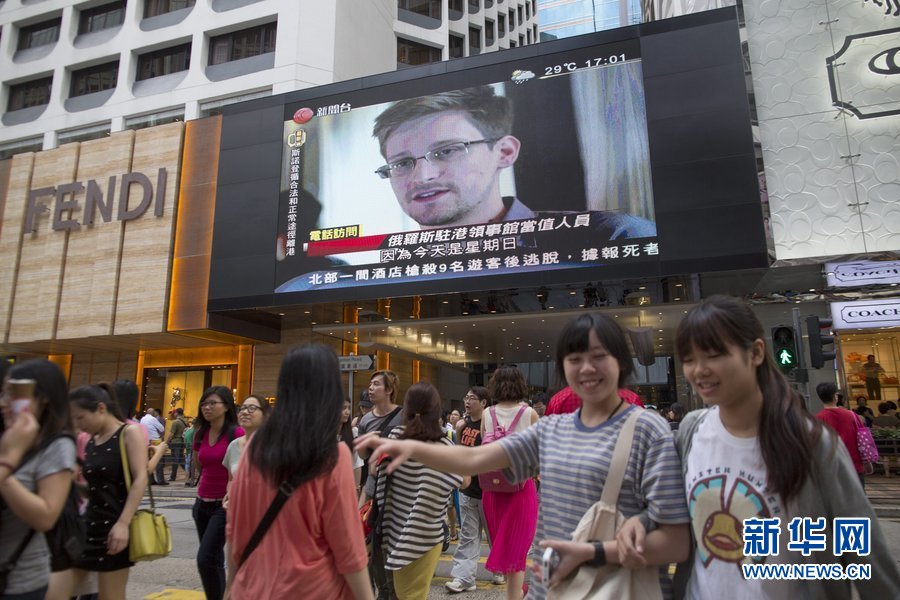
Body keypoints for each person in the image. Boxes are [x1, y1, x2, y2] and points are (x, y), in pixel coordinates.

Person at [358, 313, 690, 600]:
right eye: (574, 360)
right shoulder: (553, 429)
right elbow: (477, 460)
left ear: (621, 362)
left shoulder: (648, 430)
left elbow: (676, 542)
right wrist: (409, 446)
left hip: (619, 589)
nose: (586, 369)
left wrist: (594, 552)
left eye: (599, 357)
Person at [620, 295, 900, 599]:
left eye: (714, 355)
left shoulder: (810, 441)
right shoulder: (691, 431)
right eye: (689, 359)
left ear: (755, 352)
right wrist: (641, 522)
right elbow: (672, 509)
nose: (699, 370)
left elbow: (865, 552)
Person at [372, 85, 656, 237]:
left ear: (505, 152)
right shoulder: (383, 270)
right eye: (402, 163)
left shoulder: (615, 235)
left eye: (446, 151)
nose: (423, 176)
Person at [224, 345, 372, 599]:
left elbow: (235, 533)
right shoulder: (333, 457)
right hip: (312, 589)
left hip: (252, 588)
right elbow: (348, 548)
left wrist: (231, 586)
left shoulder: (253, 450)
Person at [48, 384, 148, 600]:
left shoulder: (129, 433)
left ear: (101, 408)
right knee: (55, 592)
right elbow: (94, 490)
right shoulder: (92, 440)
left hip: (114, 527)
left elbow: (141, 478)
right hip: (87, 525)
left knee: (110, 596)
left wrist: (123, 524)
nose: (78, 425)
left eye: (80, 417)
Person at [372, 382, 462, 600]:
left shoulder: (395, 437)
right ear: (437, 411)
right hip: (427, 536)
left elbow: (376, 473)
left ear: (407, 409)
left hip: (393, 531)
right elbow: (463, 481)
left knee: (395, 593)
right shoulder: (445, 446)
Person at [0, 359, 76, 600]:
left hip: (17, 580)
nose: (4, 402)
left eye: (14, 394)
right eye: (4, 393)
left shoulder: (57, 445)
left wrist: (7, 466)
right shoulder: (8, 436)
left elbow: (45, 516)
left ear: (42, 398)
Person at [479, 366, 539, 600]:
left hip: (492, 491)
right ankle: (515, 595)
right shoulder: (530, 414)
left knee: (504, 546)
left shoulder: (487, 413)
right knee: (518, 550)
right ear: (521, 386)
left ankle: (517, 592)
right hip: (521, 490)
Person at [192, 386, 243, 600]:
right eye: (204, 403)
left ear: (226, 406)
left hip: (223, 506)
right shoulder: (200, 433)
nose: (207, 407)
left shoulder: (236, 433)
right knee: (211, 560)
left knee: (205, 559)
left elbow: (240, 470)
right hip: (201, 504)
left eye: (213, 403)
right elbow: (198, 466)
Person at [445, 386, 492, 594]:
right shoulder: (462, 426)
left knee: (494, 535)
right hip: (467, 490)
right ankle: (464, 578)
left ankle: (500, 568)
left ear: (483, 403)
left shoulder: (491, 425)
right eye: (466, 397)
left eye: (472, 398)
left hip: (490, 491)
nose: (467, 401)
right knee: (468, 535)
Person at [815, 382, 867, 487]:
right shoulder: (853, 416)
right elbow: (863, 440)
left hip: (831, 469)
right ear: (836, 397)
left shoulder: (817, 420)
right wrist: (868, 462)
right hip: (855, 466)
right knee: (858, 501)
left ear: (820, 398)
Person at [223, 395, 270, 506]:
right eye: (242, 408)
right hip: (239, 511)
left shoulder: (274, 446)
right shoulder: (233, 446)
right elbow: (231, 479)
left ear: (266, 416)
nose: (244, 412)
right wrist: (230, 495)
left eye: (252, 408)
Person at [339, 399, 365, 491]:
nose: (347, 412)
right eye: (343, 408)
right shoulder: (324, 435)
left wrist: (356, 488)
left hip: (346, 484)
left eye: (349, 408)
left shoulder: (353, 433)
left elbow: (356, 463)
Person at [166, 408, 188, 482]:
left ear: (176, 413)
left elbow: (171, 434)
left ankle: (173, 476)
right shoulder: (186, 421)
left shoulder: (176, 422)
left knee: (175, 460)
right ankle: (189, 472)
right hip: (182, 442)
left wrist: (166, 442)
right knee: (180, 459)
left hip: (176, 442)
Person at [184, 419, 198, 486]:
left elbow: (184, 440)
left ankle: (186, 480)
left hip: (187, 450)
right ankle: (193, 480)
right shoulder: (194, 431)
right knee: (194, 466)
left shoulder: (187, 430)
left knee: (187, 466)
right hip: (192, 451)